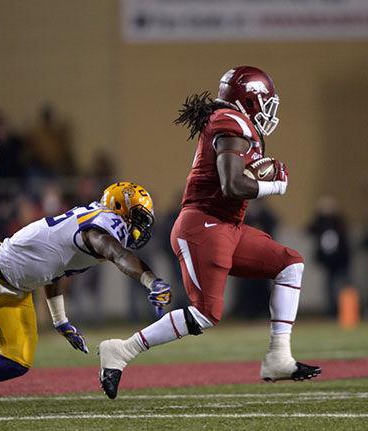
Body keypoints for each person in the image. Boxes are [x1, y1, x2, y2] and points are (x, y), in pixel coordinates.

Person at [98, 66, 321, 400]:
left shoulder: (231, 122)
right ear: (251, 99)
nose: (268, 111)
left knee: (290, 262)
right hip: (203, 225)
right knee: (205, 314)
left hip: (227, 226)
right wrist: (275, 184)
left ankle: (278, 357)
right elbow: (233, 185)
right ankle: (121, 350)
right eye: (265, 102)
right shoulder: (230, 122)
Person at [0, 182, 171, 415]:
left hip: (15, 291)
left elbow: (55, 270)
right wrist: (151, 281)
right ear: (118, 208)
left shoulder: (92, 228)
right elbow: (116, 253)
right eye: (138, 217)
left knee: (16, 361)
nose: (141, 227)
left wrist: (60, 321)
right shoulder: (100, 227)